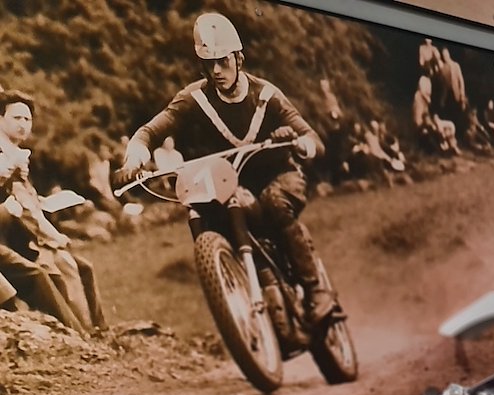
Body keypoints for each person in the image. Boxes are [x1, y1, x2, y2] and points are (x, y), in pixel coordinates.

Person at [119, 12, 335, 325]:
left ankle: (316, 289)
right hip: (229, 183)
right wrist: (134, 159)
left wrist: (299, 143)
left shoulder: (266, 95)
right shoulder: (195, 98)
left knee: (275, 201)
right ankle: (238, 291)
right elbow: (149, 131)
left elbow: (312, 138)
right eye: (209, 64)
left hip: (278, 175)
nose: (217, 71)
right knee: (206, 216)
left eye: (223, 61)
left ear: (239, 59)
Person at [0, 89, 98, 336]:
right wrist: (51, 235)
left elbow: (24, 201)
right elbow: (19, 210)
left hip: (22, 230)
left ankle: (95, 330)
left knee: (80, 267)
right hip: (18, 236)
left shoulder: (17, 155)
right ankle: (81, 334)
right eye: (17, 118)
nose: (23, 124)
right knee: (59, 268)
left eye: (27, 119)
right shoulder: (6, 157)